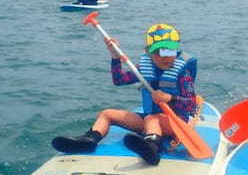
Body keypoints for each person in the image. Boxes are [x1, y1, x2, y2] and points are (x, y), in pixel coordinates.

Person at [51, 23, 198, 165]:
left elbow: (191, 104)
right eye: (159, 52)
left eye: (169, 50)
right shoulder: (144, 69)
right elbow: (119, 80)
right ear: (148, 51)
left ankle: (152, 149)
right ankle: (89, 141)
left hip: (175, 123)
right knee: (107, 114)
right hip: (148, 121)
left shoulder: (182, 74)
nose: (166, 57)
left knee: (153, 119)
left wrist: (170, 98)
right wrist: (115, 57)